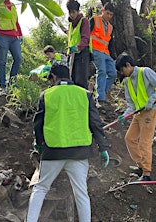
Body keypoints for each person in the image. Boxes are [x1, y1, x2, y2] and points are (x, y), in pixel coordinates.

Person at [26, 63, 110, 222]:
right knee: (81, 193)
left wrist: (38, 143)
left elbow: (38, 123)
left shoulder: (47, 94)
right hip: (79, 152)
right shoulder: (84, 94)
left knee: (41, 188)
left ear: (54, 77)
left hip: (53, 151)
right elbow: (95, 122)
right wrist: (103, 147)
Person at [115, 53, 156, 181]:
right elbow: (131, 104)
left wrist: (152, 99)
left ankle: (146, 173)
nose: (122, 73)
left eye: (122, 70)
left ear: (128, 65)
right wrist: (124, 115)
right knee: (130, 138)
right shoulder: (127, 81)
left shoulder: (145, 72)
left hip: (151, 111)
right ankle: (140, 165)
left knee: (144, 142)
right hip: (139, 113)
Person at [90, 2, 117, 104]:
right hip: (96, 50)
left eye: (111, 14)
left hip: (106, 52)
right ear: (102, 11)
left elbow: (110, 43)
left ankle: (102, 93)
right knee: (102, 71)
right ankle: (100, 97)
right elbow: (86, 34)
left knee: (113, 73)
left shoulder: (110, 27)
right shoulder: (94, 20)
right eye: (107, 13)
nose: (109, 16)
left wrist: (113, 56)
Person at [67, 0, 91, 90]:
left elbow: (85, 38)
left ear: (77, 11)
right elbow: (71, 40)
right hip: (72, 55)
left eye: (73, 12)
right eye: (70, 12)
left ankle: (84, 101)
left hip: (82, 54)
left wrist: (78, 47)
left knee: (80, 80)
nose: (72, 15)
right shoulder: (70, 24)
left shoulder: (84, 21)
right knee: (72, 80)